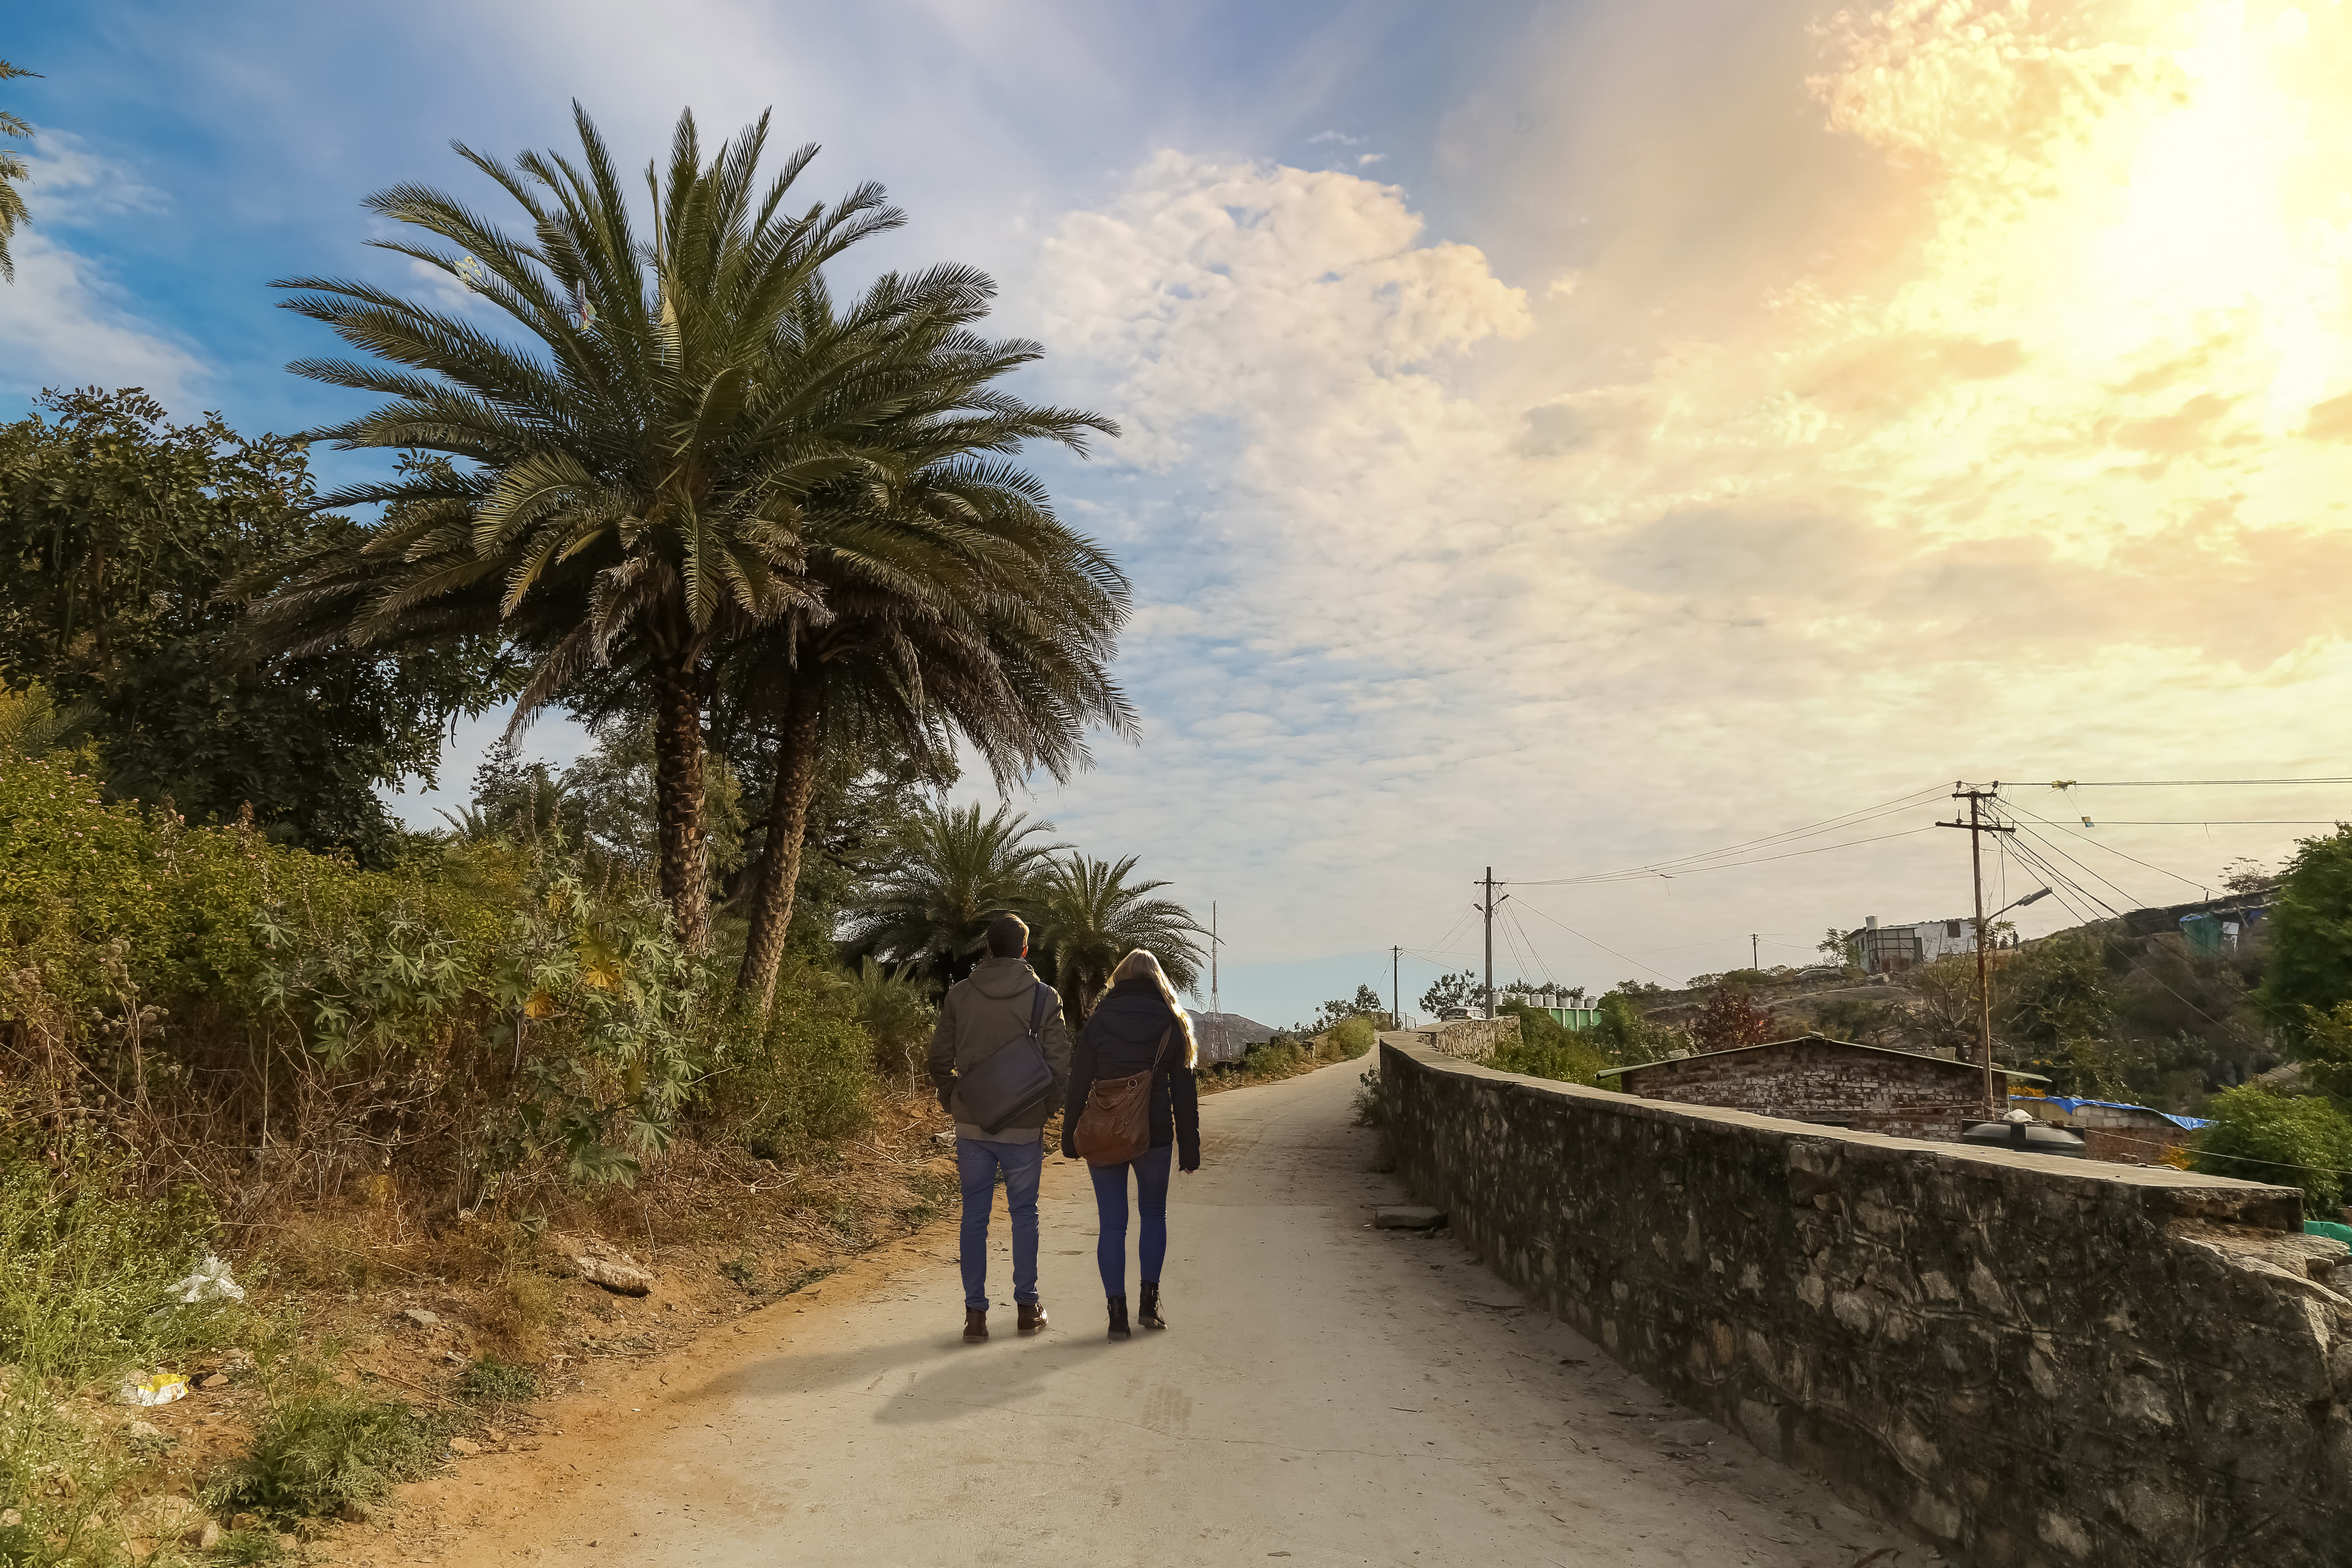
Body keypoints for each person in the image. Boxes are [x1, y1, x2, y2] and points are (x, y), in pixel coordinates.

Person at [928, 912, 1070, 1343]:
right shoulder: (1044, 998)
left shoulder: (959, 995)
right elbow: (1061, 1064)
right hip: (1024, 1127)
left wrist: (956, 1096)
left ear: (987, 947)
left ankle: (976, 1316)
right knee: (1024, 1214)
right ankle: (1027, 1308)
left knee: (974, 1216)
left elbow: (938, 1059)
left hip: (972, 1125)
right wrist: (1046, 1107)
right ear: (1025, 950)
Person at [1062, 948, 1201, 1339]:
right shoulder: (1173, 1022)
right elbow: (1184, 1096)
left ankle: (1116, 1316)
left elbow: (1079, 1082)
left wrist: (1070, 1136)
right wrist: (1189, 1151)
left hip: (1105, 1132)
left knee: (1112, 1224)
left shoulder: (1099, 1020)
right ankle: (1149, 1305)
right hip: (1154, 1135)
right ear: (1158, 981)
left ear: (1120, 979)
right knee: (1154, 1216)